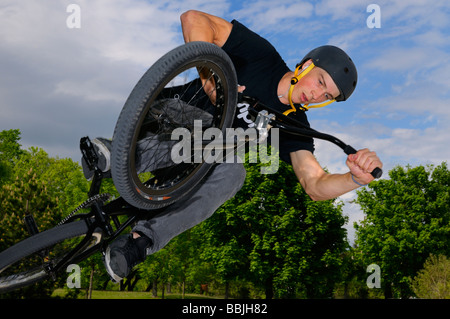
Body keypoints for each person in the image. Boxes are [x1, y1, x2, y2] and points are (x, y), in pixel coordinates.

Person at [83, 10, 383, 283]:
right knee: (220, 135)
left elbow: (314, 184)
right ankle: (117, 156)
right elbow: (193, 19)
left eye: (326, 95)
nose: (316, 95)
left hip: (191, 160)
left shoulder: (295, 127)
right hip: (164, 116)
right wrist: (211, 79)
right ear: (305, 67)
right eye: (319, 82)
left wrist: (354, 179)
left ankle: (138, 243)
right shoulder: (262, 56)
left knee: (234, 172)